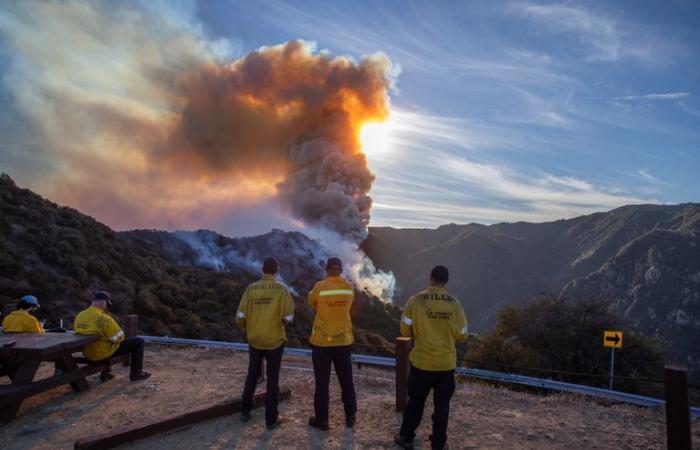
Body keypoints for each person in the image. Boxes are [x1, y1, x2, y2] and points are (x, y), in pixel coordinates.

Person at [394, 265, 468, 450]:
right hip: (446, 364)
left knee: (416, 402)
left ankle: (406, 437)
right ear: (446, 281)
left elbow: (404, 329)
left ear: (431, 278)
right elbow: (463, 334)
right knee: (442, 406)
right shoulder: (455, 304)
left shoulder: (416, 301)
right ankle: (439, 443)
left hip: (422, 363)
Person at [236, 257, 295, 429]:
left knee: (252, 374)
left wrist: (247, 329)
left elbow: (240, 316)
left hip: (254, 338)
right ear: (276, 270)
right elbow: (289, 316)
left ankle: (245, 411)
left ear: (262, 270)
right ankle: (271, 420)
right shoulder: (281, 289)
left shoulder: (251, 288)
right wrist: (282, 323)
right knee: (272, 378)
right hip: (274, 339)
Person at [307, 257, 357, 431]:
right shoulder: (349, 288)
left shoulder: (320, 287)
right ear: (341, 271)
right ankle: (350, 416)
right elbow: (348, 308)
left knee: (322, 382)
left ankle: (322, 421)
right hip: (343, 341)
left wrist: (324, 309)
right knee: (346, 380)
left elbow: (311, 302)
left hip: (322, 342)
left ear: (327, 270)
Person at [74, 291, 151, 382]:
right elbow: (119, 338)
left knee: (104, 341)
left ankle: (106, 373)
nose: (106, 307)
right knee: (138, 341)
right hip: (102, 354)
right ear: (104, 302)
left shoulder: (80, 315)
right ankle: (136, 374)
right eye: (107, 304)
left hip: (88, 353)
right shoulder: (104, 319)